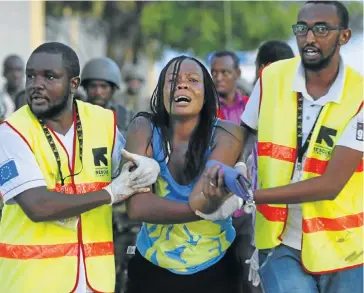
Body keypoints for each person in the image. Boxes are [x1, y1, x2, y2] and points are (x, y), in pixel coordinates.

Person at [0, 42, 159, 293]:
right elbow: (37, 206)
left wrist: (147, 167)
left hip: (95, 280)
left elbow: (129, 174)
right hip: (32, 281)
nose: (35, 84)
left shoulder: (102, 121)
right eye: (31, 75)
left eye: (49, 77)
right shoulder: (11, 132)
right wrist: (110, 194)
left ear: (74, 84)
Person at [231, 1, 362, 292]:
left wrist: (250, 196)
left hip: (344, 248)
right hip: (279, 242)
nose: (310, 38)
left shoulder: (360, 94)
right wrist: (236, 164)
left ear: (344, 36)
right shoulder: (273, 77)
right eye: (302, 28)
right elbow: (244, 132)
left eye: (322, 29)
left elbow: (331, 185)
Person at [123, 55, 244, 293]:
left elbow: (201, 198)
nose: (182, 84)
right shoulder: (144, 128)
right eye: (172, 80)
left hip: (216, 268)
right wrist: (208, 211)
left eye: (193, 79)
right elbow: (136, 207)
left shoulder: (228, 133)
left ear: (207, 92)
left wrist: (204, 204)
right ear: (162, 91)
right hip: (152, 266)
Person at [210, 50, 258, 293]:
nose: (219, 78)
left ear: (237, 74)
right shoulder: (203, 110)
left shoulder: (253, 106)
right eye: (214, 72)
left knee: (250, 276)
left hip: (248, 208)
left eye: (225, 72)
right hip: (215, 205)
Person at [80, 57, 135, 136]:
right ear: (85, 88)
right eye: (93, 86)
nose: (98, 92)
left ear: (113, 89)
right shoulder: (74, 114)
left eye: (104, 87)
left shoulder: (126, 117)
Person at [0, 55, 24, 121]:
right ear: (4, 73)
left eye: (19, 70)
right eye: (11, 70)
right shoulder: (1, 98)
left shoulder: (32, 98)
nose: (15, 75)